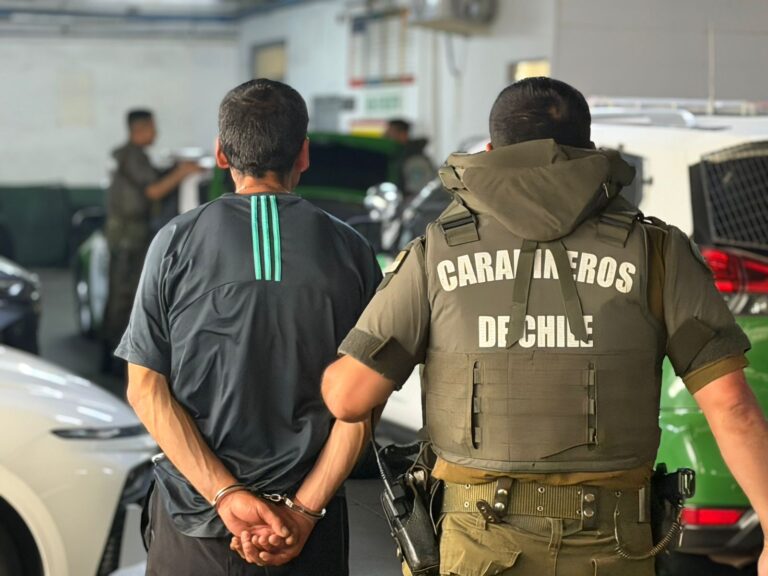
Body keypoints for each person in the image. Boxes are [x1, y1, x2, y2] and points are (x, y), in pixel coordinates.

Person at [322, 77, 768, 576]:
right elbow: (730, 403)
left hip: (475, 543)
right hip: (618, 545)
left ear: (490, 151)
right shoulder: (659, 251)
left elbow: (350, 398)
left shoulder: (436, 252)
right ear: (590, 150)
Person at [117, 79, 381, 575]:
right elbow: (361, 404)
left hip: (194, 523)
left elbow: (146, 389)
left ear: (221, 154)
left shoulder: (174, 242)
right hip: (308, 531)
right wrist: (302, 512)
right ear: (303, 154)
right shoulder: (352, 251)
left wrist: (225, 494)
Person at [103, 109, 201, 364]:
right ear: (141, 129)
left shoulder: (135, 157)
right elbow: (154, 191)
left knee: (123, 294)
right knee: (123, 297)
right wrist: (183, 172)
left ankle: (114, 356)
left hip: (129, 234)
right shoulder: (132, 157)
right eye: (153, 127)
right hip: (128, 236)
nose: (156, 133)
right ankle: (114, 358)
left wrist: (176, 170)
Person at [385, 118, 434, 198]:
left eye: (390, 133)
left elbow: (418, 193)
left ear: (403, 134)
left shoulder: (416, 161)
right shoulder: (399, 157)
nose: (386, 136)